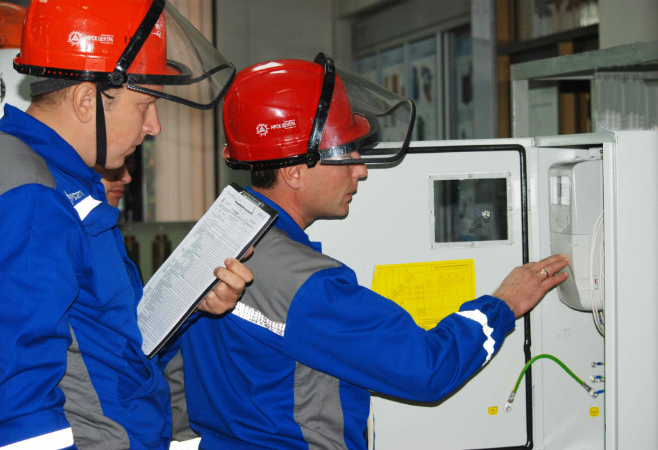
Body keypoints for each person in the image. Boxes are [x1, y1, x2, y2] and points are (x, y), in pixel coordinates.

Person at [170, 54, 570, 450]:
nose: (360, 169)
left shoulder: (213, 240)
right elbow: (428, 369)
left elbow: (175, 385)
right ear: (294, 172)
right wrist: (504, 304)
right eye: (346, 152)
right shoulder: (307, 284)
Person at [0, 1, 252, 449]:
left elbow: (100, 331)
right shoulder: (32, 196)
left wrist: (189, 303)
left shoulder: (57, 175)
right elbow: (18, 403)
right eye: (145, 104)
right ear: (86, 100)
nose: (154, 126)